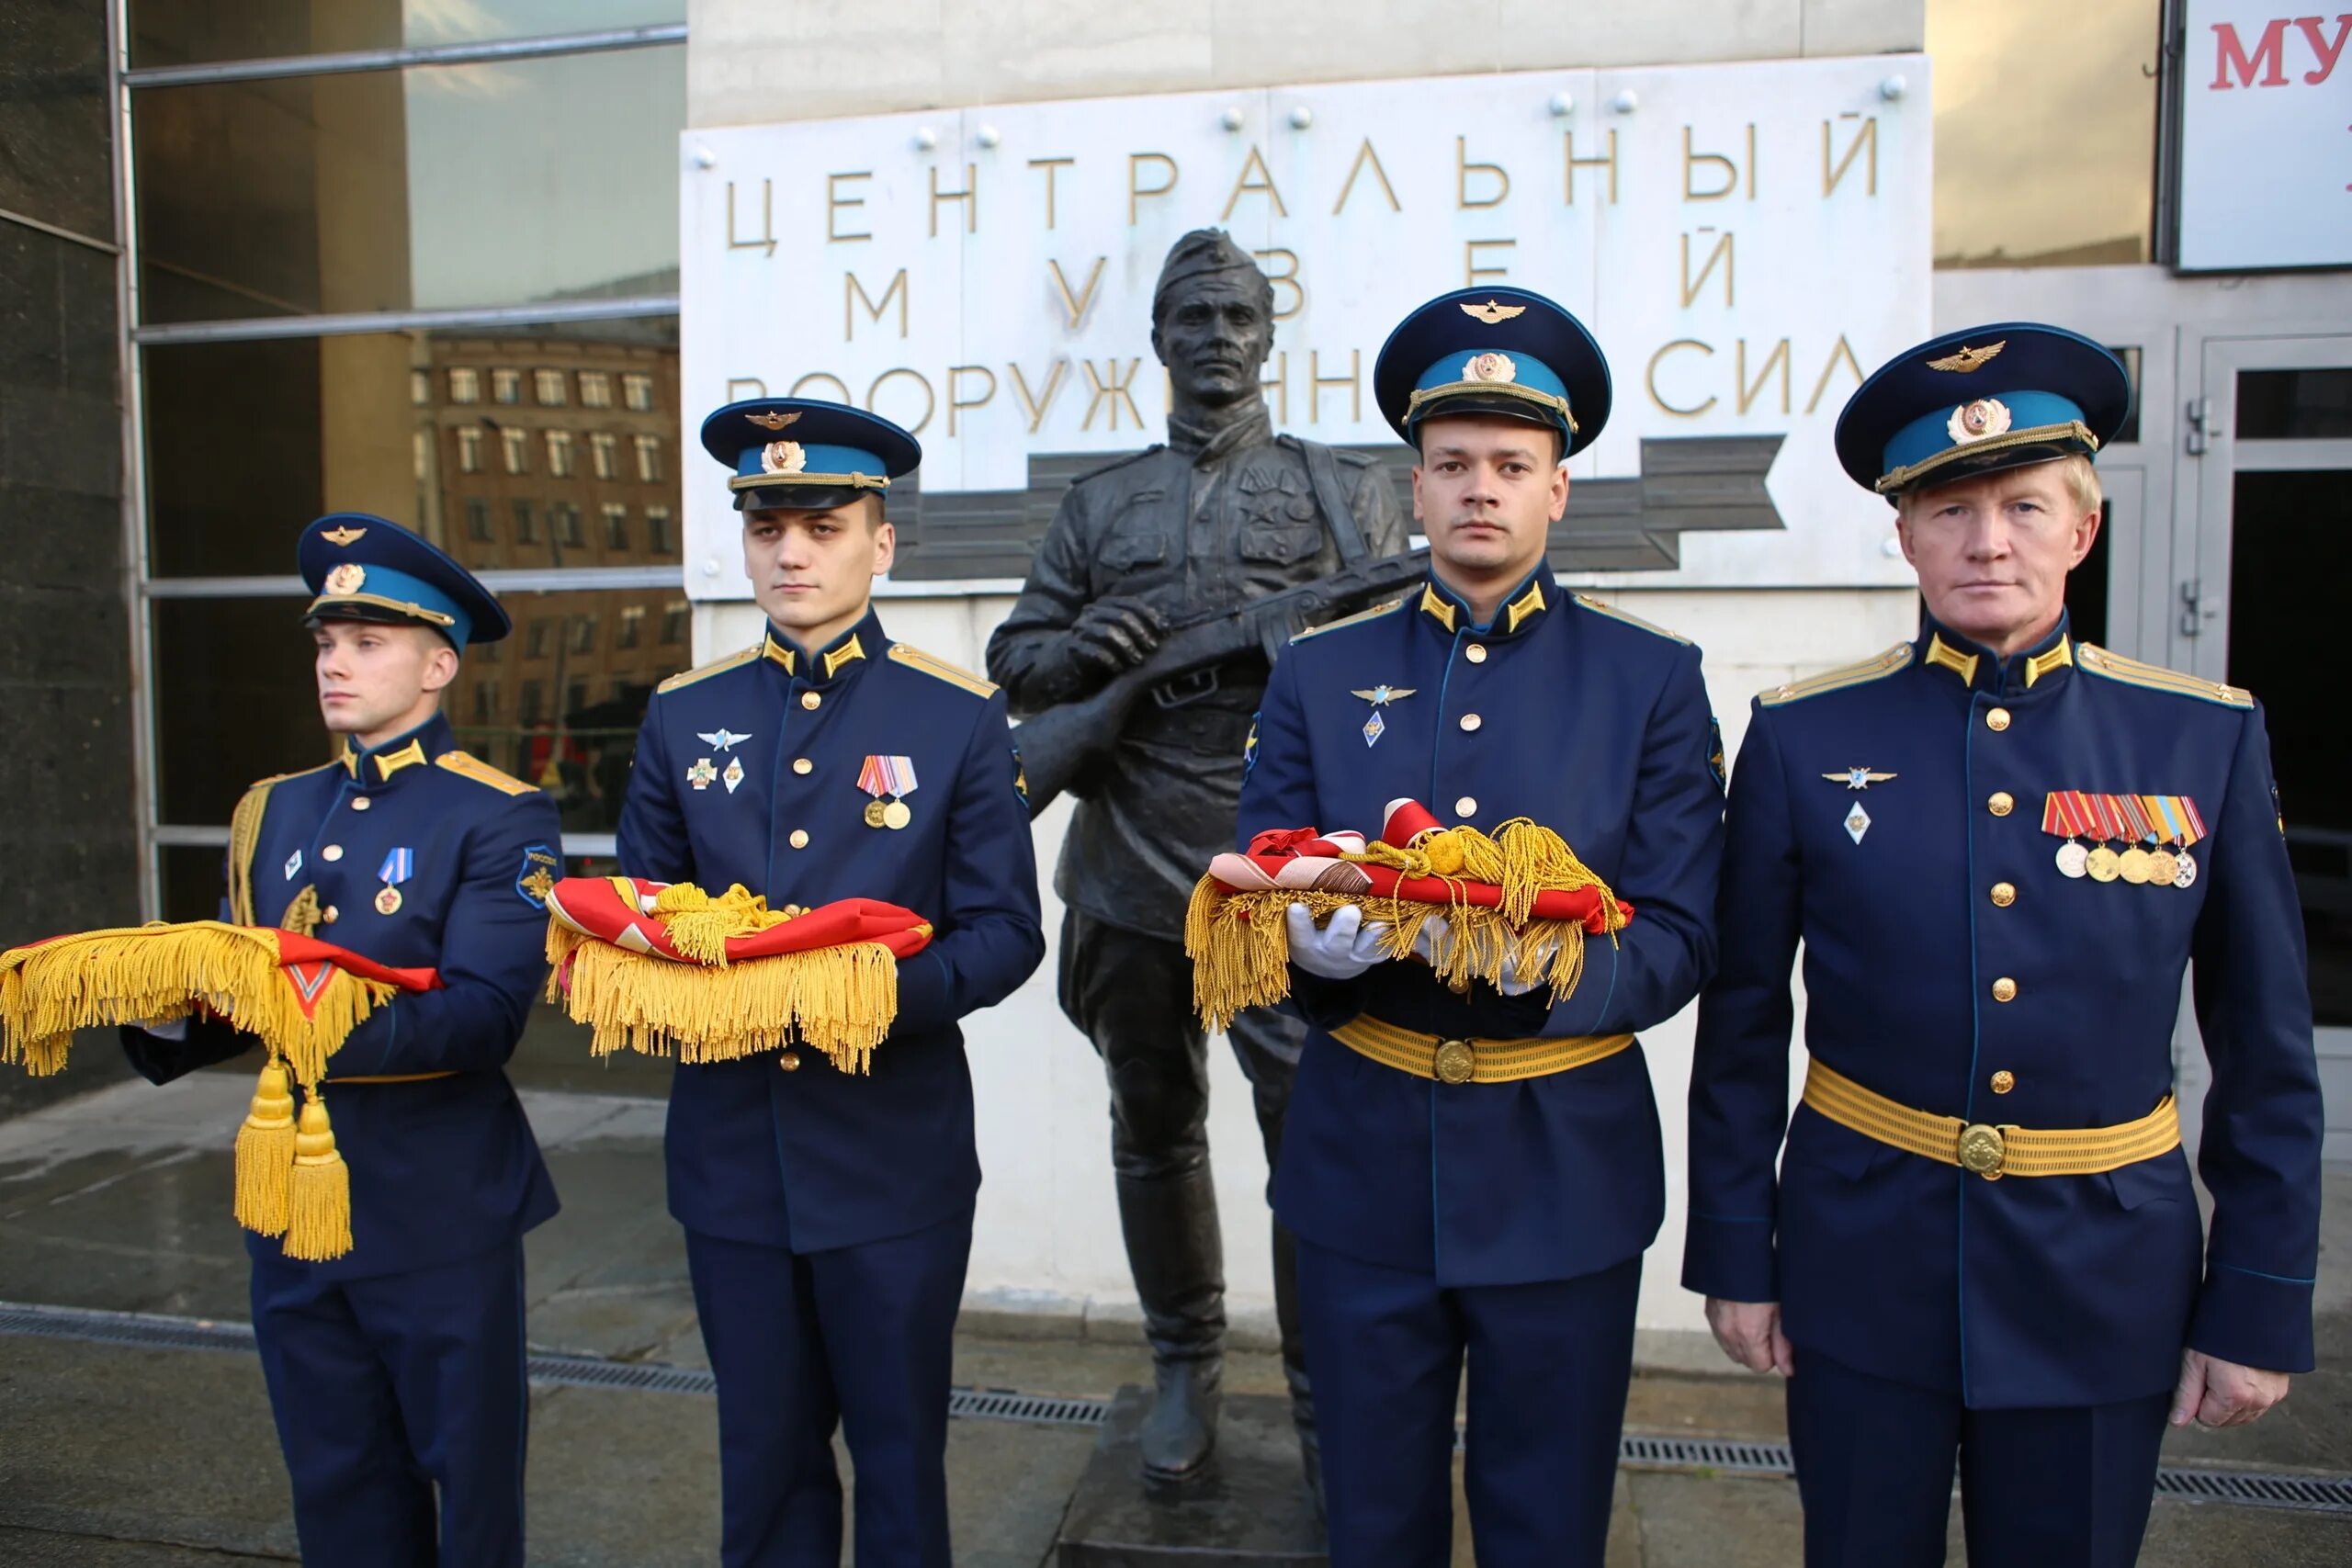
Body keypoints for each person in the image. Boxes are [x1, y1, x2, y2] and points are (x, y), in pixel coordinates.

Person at [1684, 322, 2324, 1566]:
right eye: (1952, 510)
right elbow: (1744, 1016)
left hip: (2103, 1271)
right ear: (1905, 535)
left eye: (2025, 505)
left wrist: (2259, 1297)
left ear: (2080, 530)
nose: (1989, 541)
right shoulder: (1805, 736)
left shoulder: (2201, 740)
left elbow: (2266, 1045)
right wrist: (1735, 1253)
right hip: (1864, 1259)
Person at [1234, 286, 1725, 1563]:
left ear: (1560, 488)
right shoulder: (1318, 671)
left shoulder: (1649, 678)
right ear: (1415, 486)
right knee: (1373, 1519)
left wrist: (1557, 964)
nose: (1481, 489)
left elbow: (1681, 929)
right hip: (1364, 1160)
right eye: (1452, 464)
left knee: (1546, 1519)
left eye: (1513, 463)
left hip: (1563, 1163)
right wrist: (1304, 953)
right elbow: (1261, 882)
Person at [985, 229, 1406, 1480]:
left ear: (1269, 336)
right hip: (1127, 863)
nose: (1217, 336)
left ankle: (1328, 1397)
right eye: (1194, 316)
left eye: (1238, 316)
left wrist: (1305, 656)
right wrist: (1083, 656)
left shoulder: (1348, 493)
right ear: (1158, 338)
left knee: (1313, 1136)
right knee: (1152, 1124)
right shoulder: (1099, 501)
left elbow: (1397, 661)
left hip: (1284, 874)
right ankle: (1183, 1366)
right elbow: (1018, 659)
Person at [616, 398, 1044, 1568]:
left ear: (880, 542)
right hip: (733, 1160)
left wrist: (853, 998)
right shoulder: (683, 715)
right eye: (767, 529)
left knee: (902, 1463)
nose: (791, 552)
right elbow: (636, 926)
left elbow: (1006, 934)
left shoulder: (954, 718)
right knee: (764, 1460)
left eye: (821, 524)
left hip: (890, 1158)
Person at [121, 513, 562, 1567]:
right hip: (292, 1205)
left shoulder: (500, 816)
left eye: (368, 643)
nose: (335, 664)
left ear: (438, 663)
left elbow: (484, 1016)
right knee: (337, 1485)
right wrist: (158, 1006)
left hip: (436, 1206)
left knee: (471, 1494)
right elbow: (242, 982)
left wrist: (297, 1012)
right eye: (326, 642)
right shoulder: (272, 811)